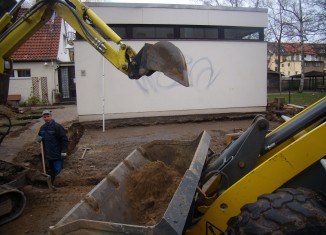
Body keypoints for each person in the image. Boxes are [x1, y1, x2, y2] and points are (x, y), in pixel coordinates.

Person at [37, 110, 68, 184]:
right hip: (48, 154)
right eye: (45, 117)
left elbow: (64, 139)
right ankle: (52, 181)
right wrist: (38, 139)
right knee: (52, 170)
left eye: (48, 116)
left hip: (57, 154)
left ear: (51, 116)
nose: (46, 118)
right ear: (43, 118)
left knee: (57, 170)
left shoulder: (57, 127)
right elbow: (39, 138)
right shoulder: (42, 128)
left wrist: (64, 151)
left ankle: (58, 184)